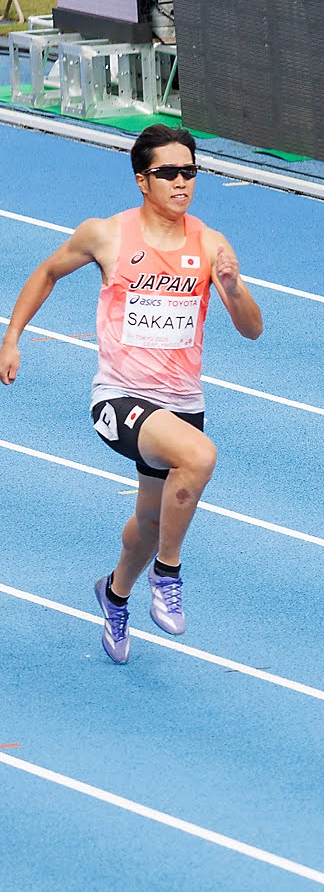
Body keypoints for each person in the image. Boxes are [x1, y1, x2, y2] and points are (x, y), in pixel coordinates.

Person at [0, 124, 263, 662]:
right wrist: (12, 337)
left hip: (182, 404)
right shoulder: (107, 235)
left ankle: (114, 594)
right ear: (143, 180)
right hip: (119, 397)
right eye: (169, 173)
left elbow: (252, 329)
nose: (182, 182)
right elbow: (47, 272)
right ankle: (167, 574)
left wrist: (234, 288)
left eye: (190, 172)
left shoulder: (210, 244)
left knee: (148, 523)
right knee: (199, 457)